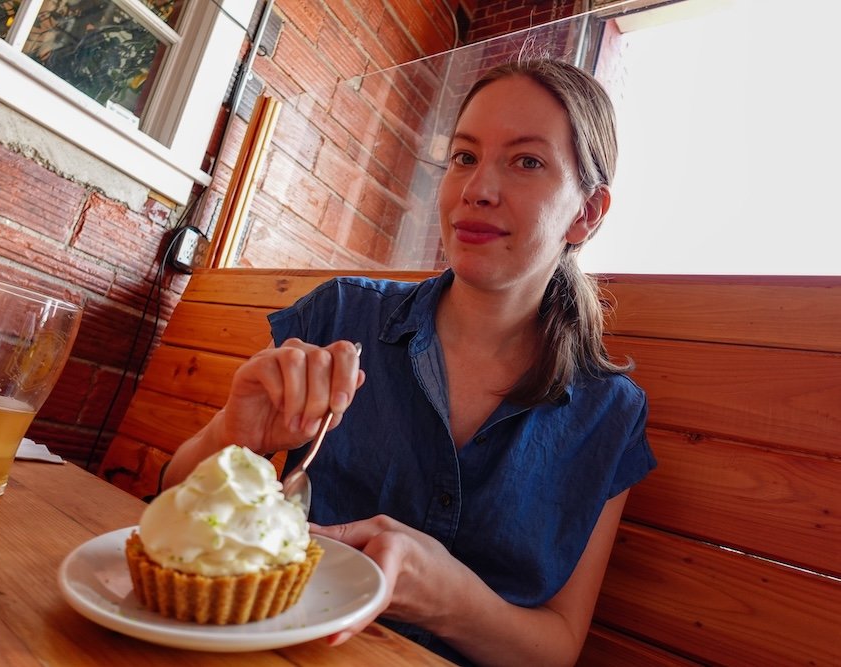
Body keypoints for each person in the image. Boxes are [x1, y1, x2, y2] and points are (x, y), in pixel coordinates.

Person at [165, 58, 656, 666]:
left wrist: (449, 600)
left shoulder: (609, 413)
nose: (477, 189)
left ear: (587, 212)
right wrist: (233, 437)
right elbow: (169, 505)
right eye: (464, 156)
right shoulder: (340, 315)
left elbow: (556, 646)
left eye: (526, 161)